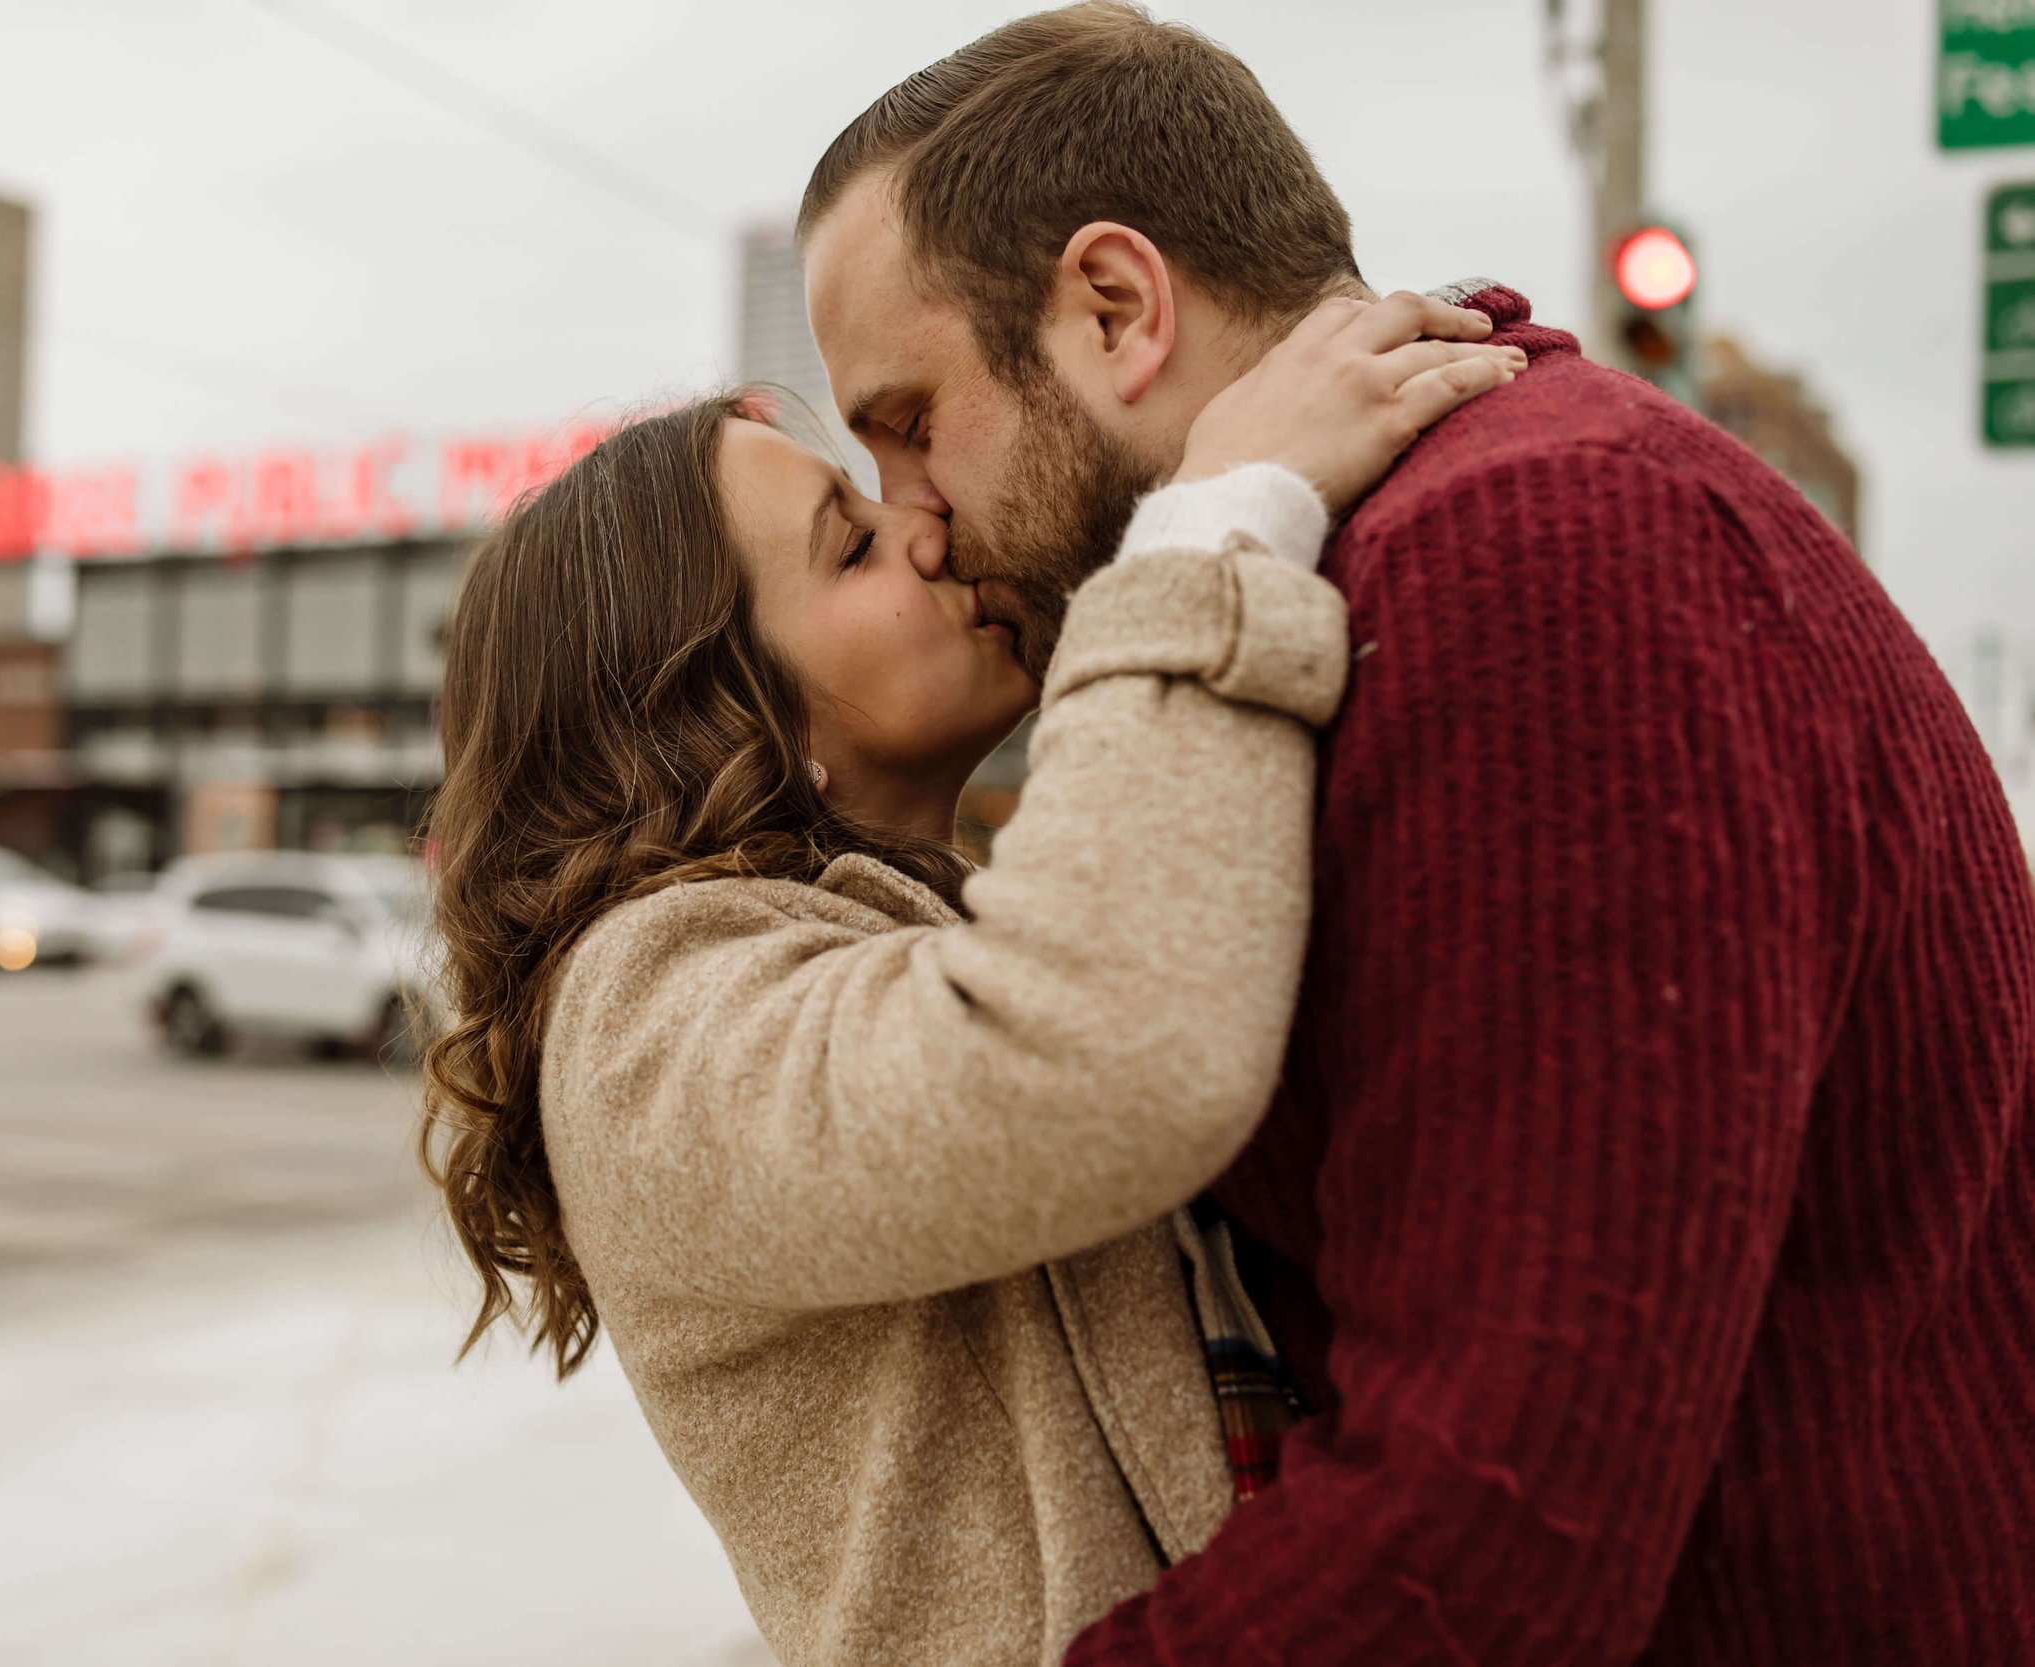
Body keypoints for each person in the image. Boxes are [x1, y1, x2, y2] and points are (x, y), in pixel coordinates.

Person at [794, 6, 2035, 1665]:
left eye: (910, 421)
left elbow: (1495, 1518)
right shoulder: (1399, 567)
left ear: (1114, 307)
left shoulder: (1536, 558)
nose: (913, 519)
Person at [417, 300, 1522, 1664]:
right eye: (852, 542)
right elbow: (1086, 1057)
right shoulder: (639, 1015)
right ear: (719, 708)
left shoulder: (927, 928)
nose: (926, 528)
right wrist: (1221, 515)